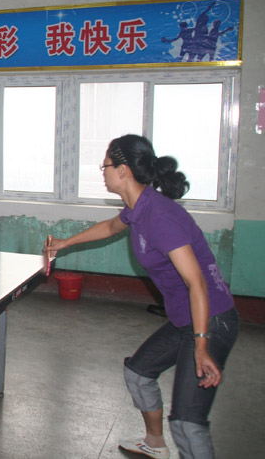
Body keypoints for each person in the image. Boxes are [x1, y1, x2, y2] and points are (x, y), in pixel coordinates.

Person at [44, 134, 238, 459]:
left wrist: (201, 344)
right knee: (138, 372)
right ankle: (155, 443)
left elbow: (197, 283)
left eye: (105, 165)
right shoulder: (138, 207)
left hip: (211, 320)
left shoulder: (160, 216)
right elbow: (110, 227)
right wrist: (65, 243)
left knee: (187, 423)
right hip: (185, 319)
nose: (102, 172)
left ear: (123, 170)